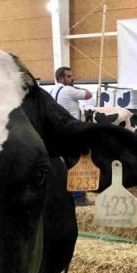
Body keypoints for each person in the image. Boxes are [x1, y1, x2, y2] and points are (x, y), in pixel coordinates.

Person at [50, 66, 93, 206]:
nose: (72, 78)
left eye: (72, 76)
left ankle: (65, 196)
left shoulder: (53, 90)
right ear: (61, 78)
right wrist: (76, 86)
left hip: (57, 134)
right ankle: (78, 198)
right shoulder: (69, 90)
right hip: (72, 133)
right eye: (69, 76)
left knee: (64, 165)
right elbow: (88, 94)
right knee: (76, 164)